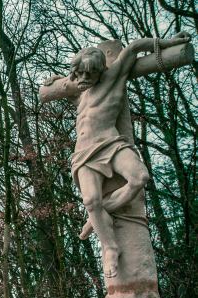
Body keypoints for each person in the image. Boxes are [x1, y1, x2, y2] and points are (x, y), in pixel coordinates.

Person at [52, 32, 190, 278]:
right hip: (83, 153)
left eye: (90, 74)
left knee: (139, 177)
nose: (84, 78)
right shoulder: (79, 90)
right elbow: (53, 87)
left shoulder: (114, 76)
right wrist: (56, 81)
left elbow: (136, 46)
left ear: (101, 70)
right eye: (80, 73)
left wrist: (169, 42)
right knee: (90, 201)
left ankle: (99, 215)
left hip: (111, 142)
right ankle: (110, 247)